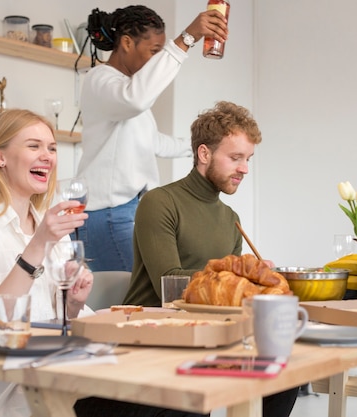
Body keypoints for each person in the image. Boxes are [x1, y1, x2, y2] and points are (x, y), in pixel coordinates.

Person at [120, 101, 298, 417]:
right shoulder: (159, 202)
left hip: (207, 340)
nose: (244, 168)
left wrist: (253, 280)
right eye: (235, 158)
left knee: (285, 377)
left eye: (248, 159)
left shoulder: (231, 218)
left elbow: (228, 298)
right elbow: (170, 283)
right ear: (204, 154)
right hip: (152, 341)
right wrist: (239, 272)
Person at [0, 109, 94, 417]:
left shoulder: (46, 221)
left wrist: (74, 303)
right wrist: (38, 244)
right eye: (33, 146)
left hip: (65, 379)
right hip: (9, 400)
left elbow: (62, 324)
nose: (47, 157)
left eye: (52, 148)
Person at [76, 5, 229, 272]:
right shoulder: (100, 80)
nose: (156, 59)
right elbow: (135, 99)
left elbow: (154, 142)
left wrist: (206, 146)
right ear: (126, 43)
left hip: (129, 211)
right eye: (154, 51)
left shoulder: (126, 91)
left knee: (141, 300)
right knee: (143, 295)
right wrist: (187, 38)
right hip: (109, 213)